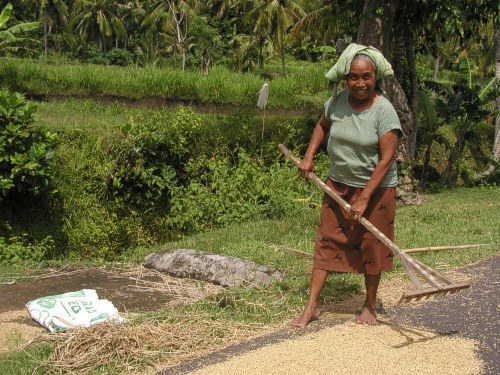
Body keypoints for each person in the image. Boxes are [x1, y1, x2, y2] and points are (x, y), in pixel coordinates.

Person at [292, 43, 402, 327]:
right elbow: (322, 126)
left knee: (372, 245)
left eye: (366, 77)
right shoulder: (338, 102)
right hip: (338, 185)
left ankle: (370, 304)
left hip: (376, 190)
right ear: (346, 78)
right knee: (327, 241)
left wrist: (365, 197)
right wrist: (309, 155)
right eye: (354, 77)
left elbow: (387, 157)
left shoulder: (384, 111)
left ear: (375, 78)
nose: (360, 83)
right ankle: (312, 306)